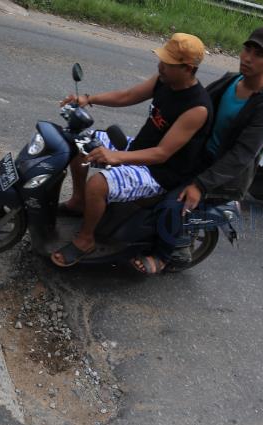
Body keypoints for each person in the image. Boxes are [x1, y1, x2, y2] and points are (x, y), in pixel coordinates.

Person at [50, 33, 213, 268]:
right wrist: (88, 98)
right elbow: (128, 96)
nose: (160, 66)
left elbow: (162, 154)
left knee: (97, 186)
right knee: (80, 143)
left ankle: (86, 240)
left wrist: (116, 157)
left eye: (167, 63)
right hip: (138, 148)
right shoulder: (165, 79)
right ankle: (78, 202)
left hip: (158, 171)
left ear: (187, 68)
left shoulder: (197, 107)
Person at [134, 27, 263, 274]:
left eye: (259, 54)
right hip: (198, 156)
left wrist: (201, 185)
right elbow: (197, 101)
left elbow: (242, 155)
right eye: (247, 49)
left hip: (223, 175)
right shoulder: (230, 80)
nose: (248, 58)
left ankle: (165, 254)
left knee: (173, 203)